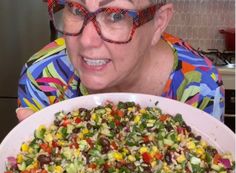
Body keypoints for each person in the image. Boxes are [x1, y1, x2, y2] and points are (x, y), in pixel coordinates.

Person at [16, 0, 225, 122]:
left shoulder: (200, 86)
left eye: (116, 16)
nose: (87, 41)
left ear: (159, 23)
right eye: (76, 9)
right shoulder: (42, 77)